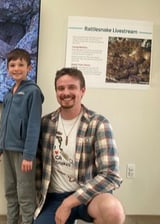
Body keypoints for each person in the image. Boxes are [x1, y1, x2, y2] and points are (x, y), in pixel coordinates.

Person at [33, 67, 125, 224]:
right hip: (55, 198)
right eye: (61, 88)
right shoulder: (45, 124)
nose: (66, 92)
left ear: (82, 91)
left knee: (113, 211)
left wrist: (69, 203)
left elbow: (111, 174)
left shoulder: (99, 124)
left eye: (72, 87)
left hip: (90, 196)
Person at [0, 48, 44, 224]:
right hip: (7, 150)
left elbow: (34, 125)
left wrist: (29, 155)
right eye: (12, 65)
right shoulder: (8, 94)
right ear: (7, 68)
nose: (16, 68)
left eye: (21, 64)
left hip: (24, 154)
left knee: (25, 194)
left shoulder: (33, 92)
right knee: (10, 192)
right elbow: (3, 124)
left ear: (29, 67)